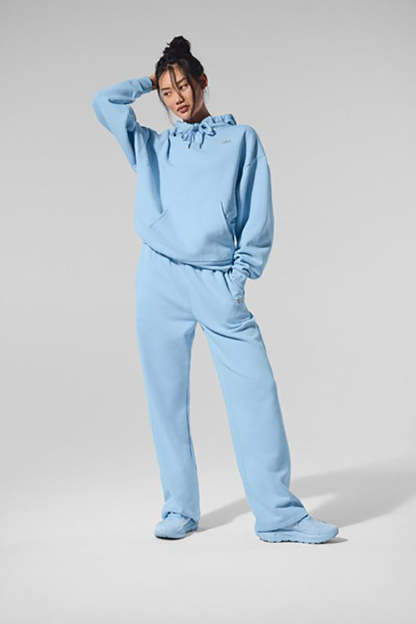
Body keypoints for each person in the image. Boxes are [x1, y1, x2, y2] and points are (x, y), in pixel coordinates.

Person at [92, 35, 339, 544]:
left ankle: (279, 515)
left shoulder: (241, 140)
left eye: (183, 85)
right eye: (167, 93)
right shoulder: (153, 146)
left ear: (202, 81)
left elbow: (257, 211)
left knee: (255, 394)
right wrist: (151, 78)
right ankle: (179, 508)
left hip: (217, 280)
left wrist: (239, 276)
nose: (177, 98)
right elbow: (103, 103)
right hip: (159, 277)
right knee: (166, 399)